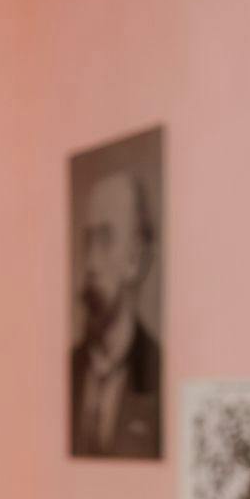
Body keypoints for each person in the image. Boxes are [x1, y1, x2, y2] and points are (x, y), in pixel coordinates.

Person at [69, 166, 163, 459]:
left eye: (106, 240)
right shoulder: (69, 371)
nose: (91, 264)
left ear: (135, 258)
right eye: (88, 242)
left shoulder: (159, 374)